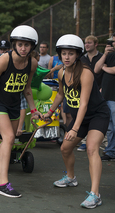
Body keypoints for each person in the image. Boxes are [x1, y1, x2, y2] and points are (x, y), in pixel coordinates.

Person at [43, 34, 109, 209]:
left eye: (70, 54)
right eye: (64, 53)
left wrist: (75, 128)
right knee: (65, 148)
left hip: (97, 115)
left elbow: (84, 103)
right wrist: (50, 112)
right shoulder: (61, 72)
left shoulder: (86, 73)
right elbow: (60, 94)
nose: (66, 57)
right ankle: (71, 178)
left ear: (77, 54)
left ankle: (95, 194)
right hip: (82, 117)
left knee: (91, 148)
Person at [0, 25, 42, 198]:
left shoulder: (32, 63)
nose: (23, 48)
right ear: (14, 44)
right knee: (8, 137)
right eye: (20, 44)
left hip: (14, 104)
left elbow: (27, 88)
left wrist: (33, 109)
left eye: (27, 45)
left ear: (32, 46)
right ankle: (2, 184)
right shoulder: (4, 60)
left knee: (8, 140)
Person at [77, 35, 104, 152]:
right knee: (84, 112)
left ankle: (97, 142)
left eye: (89, 43)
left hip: (100, 92)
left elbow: (104, 74)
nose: (86, 45)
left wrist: (102, 87)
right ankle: (83, 141)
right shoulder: (82, 59)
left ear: (96, 44)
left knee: (98, 116)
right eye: (85, 43)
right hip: (85, 92)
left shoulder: (102, 57)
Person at [95, 34, 115, 161]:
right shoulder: (110, 55)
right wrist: (105, 55)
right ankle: (110, 151)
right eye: (112, 41)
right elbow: (97, 69)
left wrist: (105, 68)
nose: (113, 43)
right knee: (110, 127)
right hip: (106, 95)